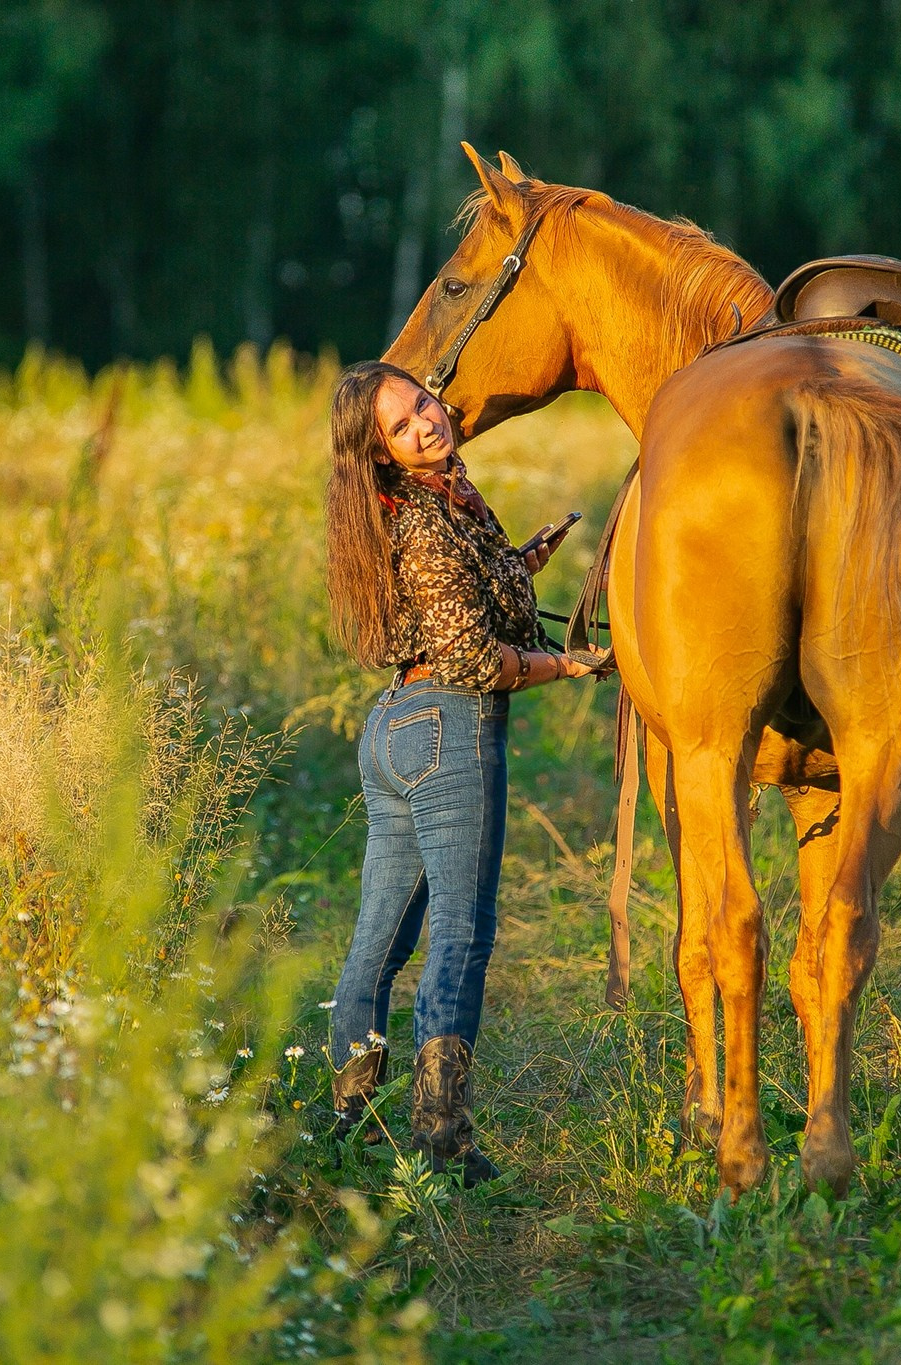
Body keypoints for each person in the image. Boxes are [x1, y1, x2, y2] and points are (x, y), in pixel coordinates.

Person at [322, 360, 596, 1184]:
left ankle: (352, 1120)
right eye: (400, 429)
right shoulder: (429, 521)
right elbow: (477, 659)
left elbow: (456, 611)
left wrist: (527, 559)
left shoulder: (422, 508)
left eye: (422, 405)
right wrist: (571, 666)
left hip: (395, 727)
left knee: (382, 934)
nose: (424, 426)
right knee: (460, 934)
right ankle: (443, 1138)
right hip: (448, 725)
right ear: (382, 456)